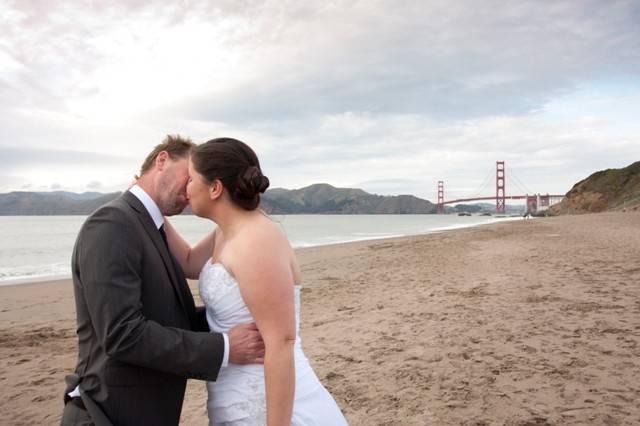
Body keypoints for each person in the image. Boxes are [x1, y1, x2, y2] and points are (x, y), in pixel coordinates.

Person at [61, 136, 265, 426]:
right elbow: (122, 334)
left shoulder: (150, 225)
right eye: (190, 175)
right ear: (162, 160)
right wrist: (225, 347)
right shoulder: (112, 223)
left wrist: (233, 320)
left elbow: (168, 318)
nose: (192, 188)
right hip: (105, 414)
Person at [163, 137, 348, 425]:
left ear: (215, 188)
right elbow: (188, 261)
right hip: (233, 394)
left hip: (267, 400)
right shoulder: (227, 231)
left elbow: (281, 343)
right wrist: (150, 208)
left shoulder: (256, 240)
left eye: (191, 179)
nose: (186, 188)